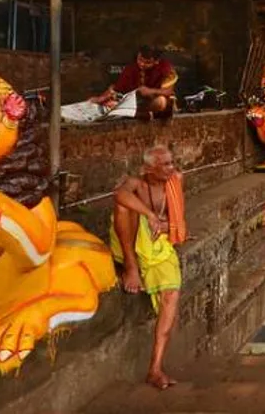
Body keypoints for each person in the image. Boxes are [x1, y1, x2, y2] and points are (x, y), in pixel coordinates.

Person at [110, 144, 187, 390]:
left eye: (171, 162)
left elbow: (177, 220)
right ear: (148, 168)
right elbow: (120, 196)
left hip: (159, 245)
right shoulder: (137, 183)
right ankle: (131, 268)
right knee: (126, 207)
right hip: (131, 242)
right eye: (164, 164)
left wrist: (167, 226)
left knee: (172, 293)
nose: (171, 168)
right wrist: (150, 215)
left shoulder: (175, 182)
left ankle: (155, 368)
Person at [93, 46, 178, 121]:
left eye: (147, 62)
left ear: (156, 61)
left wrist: (150, 91)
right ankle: (138, 114)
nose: (142, 64)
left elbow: (168, 91)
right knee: (110, 104)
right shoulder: (131, 68)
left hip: (153, 103)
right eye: (140, 60)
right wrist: (103, 97)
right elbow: (118, 89)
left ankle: (137, 113)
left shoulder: (165, 68)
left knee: (161, 102)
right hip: (134, 102)